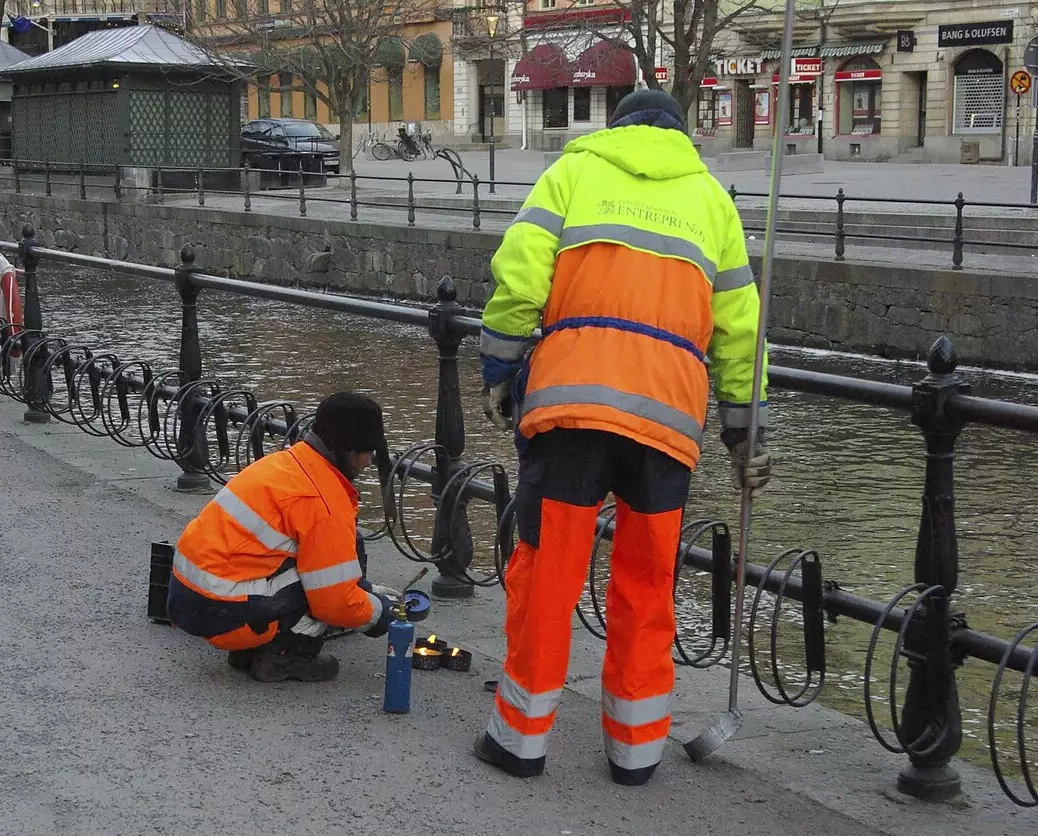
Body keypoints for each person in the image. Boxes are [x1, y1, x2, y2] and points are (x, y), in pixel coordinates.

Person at [472, 89, 771, 784]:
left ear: (618, 129)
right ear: (680, 133)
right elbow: (740, 329)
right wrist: (744, 433)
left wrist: (500, 363)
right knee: (646, 584)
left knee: (549, 576)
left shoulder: (574, 172)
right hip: (665, 422)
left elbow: (520, 272)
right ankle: (635, 754)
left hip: (573, 411)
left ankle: (520, 741)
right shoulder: (712, 201)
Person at [167, 392, 398, 683]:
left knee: (331, 565)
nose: (368, 463)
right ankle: (287, 658)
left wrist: (366, 588)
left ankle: (250, 648)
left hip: (187, 595)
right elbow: (333, 600)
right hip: (219, 608)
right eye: (369, 453)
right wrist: (379, 614)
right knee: (322, 587)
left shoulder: (286, 463)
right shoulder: (324, 501)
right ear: (351, 453)